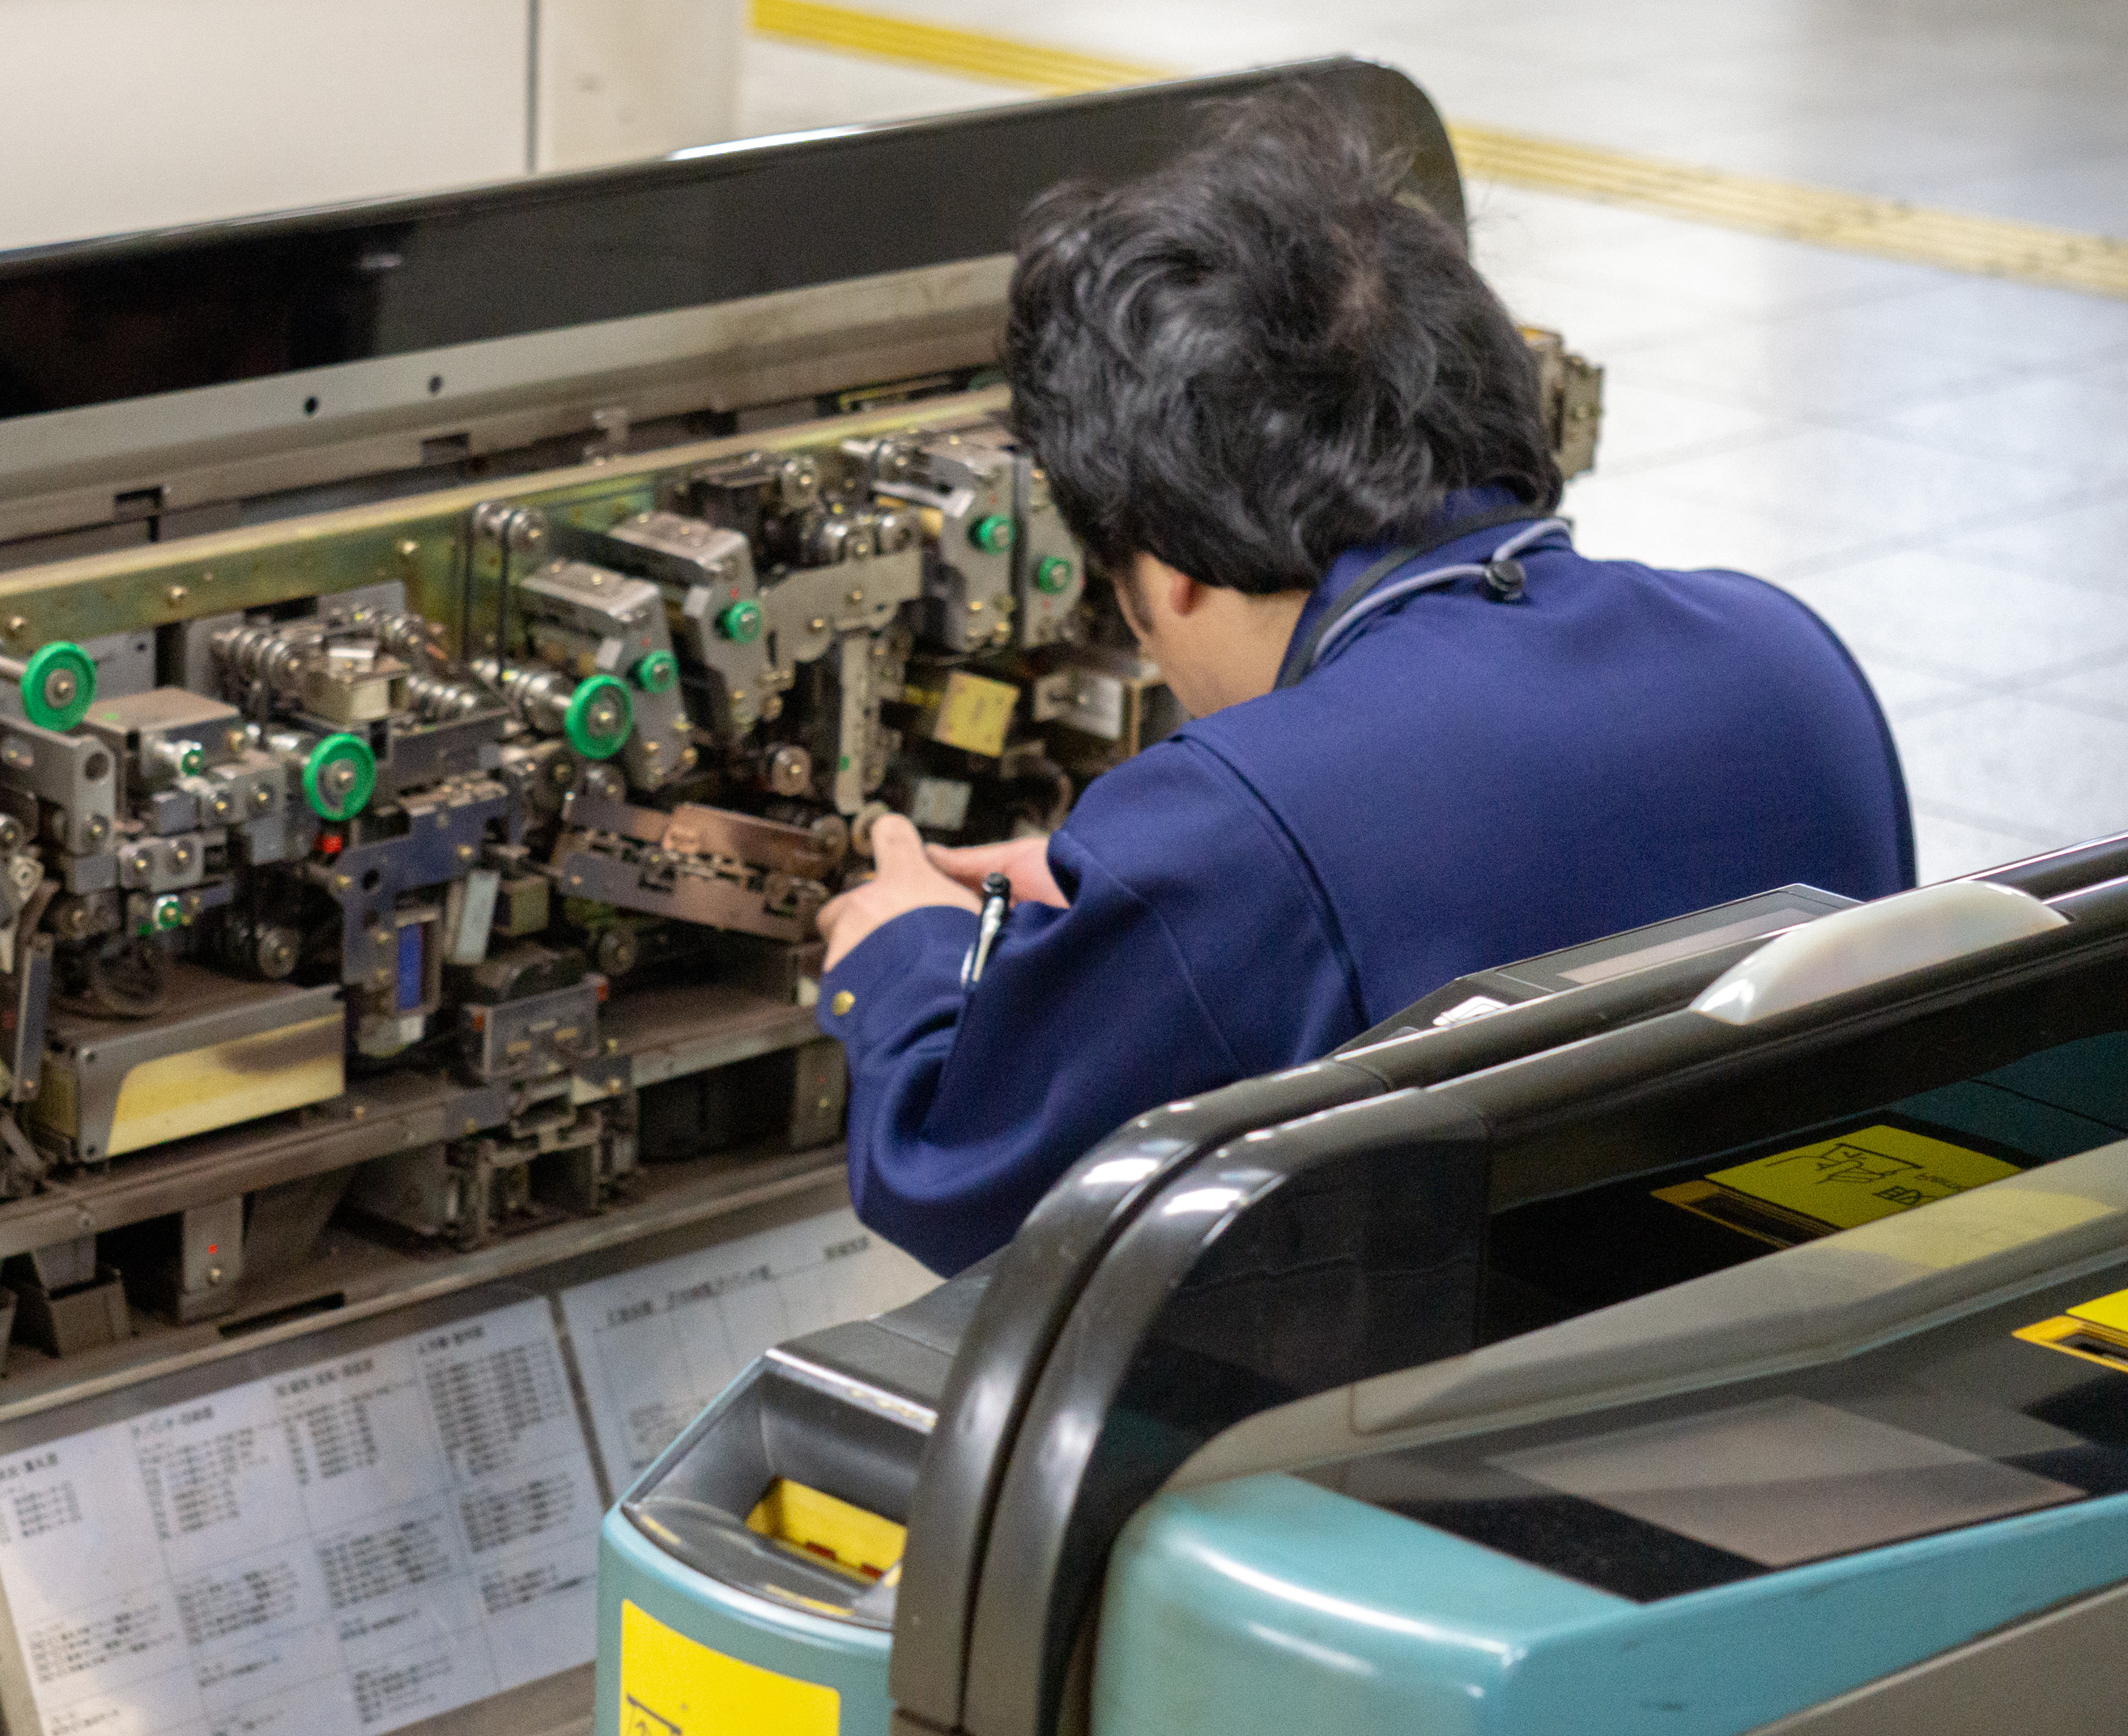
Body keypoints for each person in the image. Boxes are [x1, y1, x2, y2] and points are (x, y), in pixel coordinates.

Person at [815, 94, 1912, 1279]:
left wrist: (906, 954)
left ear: (1167, 569)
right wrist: (1140, 916)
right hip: (1800, 1307)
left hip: (1454, 1381)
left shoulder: (1233, 824)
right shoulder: (1784, 653)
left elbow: (956, 1188)